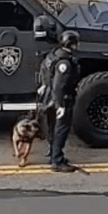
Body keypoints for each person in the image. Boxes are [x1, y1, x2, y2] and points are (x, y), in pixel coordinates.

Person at [42, 30, 82, 173]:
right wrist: (60, 105)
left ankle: (53, 153)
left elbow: (43, 71)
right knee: (61, 129)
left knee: (53, 128)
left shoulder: (54, 54)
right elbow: (59, 85)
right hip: (61, 98)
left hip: (49, 96)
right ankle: (57, 160)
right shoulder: (64, 62)